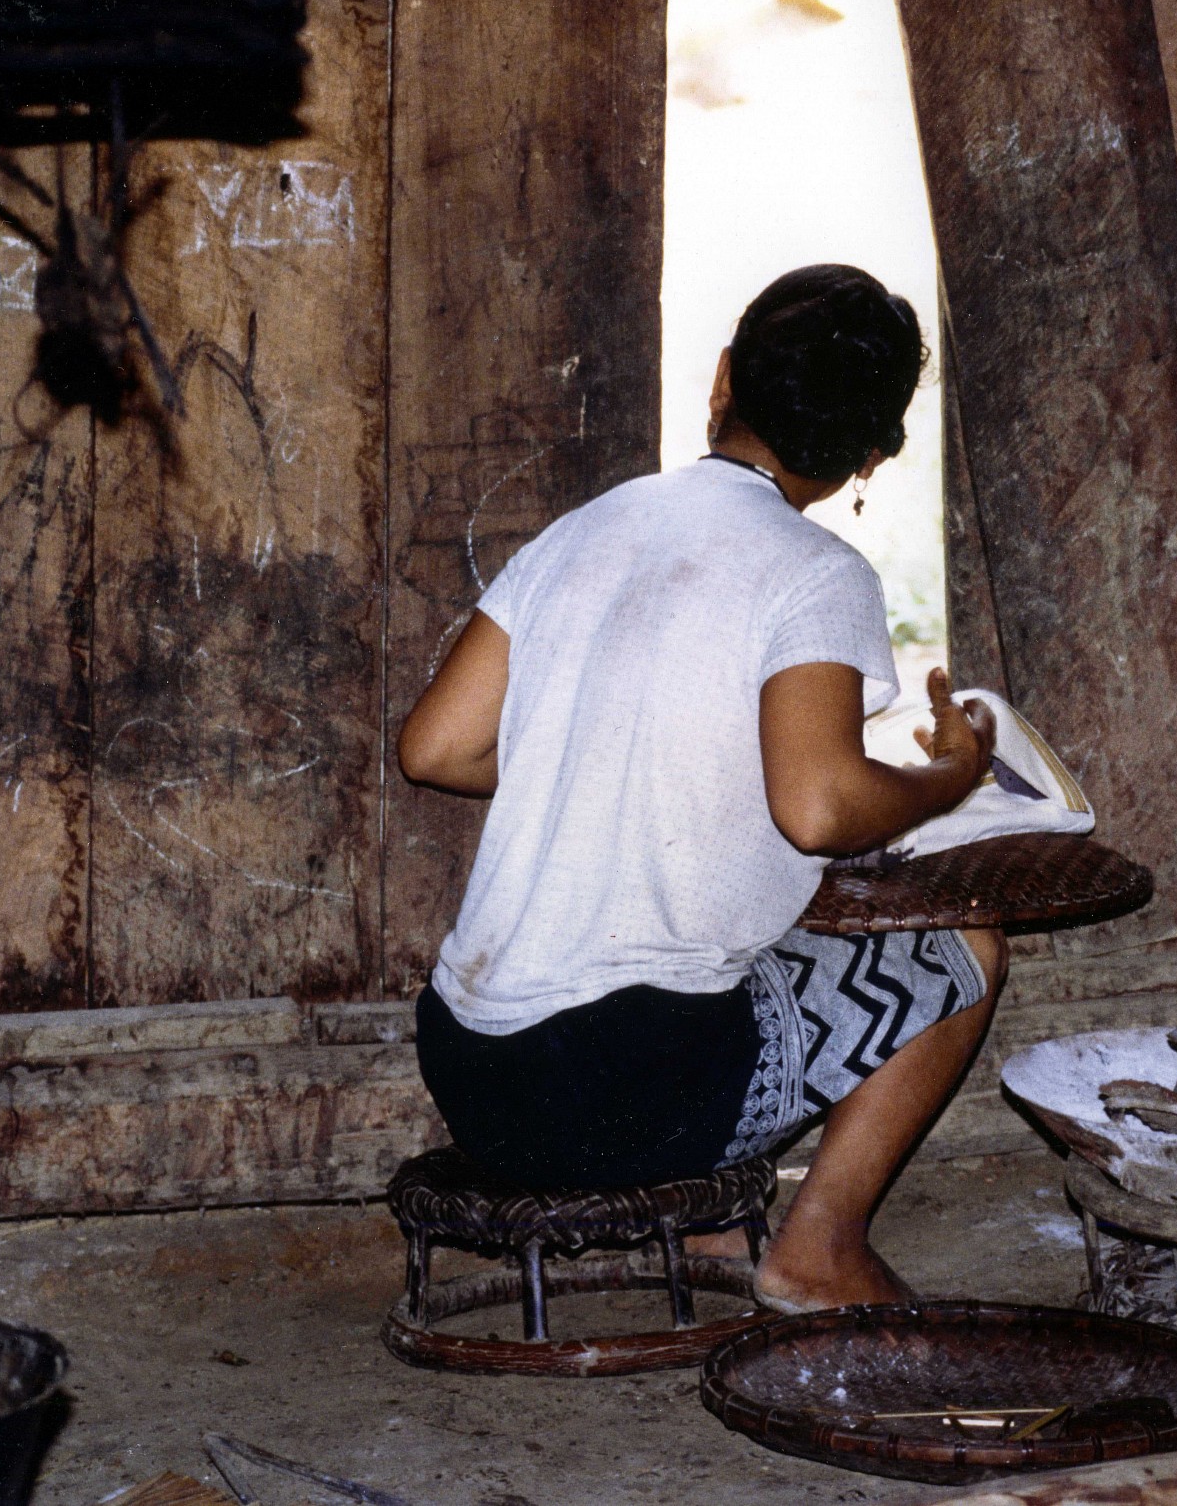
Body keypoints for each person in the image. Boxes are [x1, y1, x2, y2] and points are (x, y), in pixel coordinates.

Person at [397, 264, 1006, 1312]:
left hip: (470, 1068)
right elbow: (815, 806)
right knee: (968, 948)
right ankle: (818, 1244)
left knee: (722, 938)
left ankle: (720, 1227)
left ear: (723, 378)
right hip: (618, 1092)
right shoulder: (816, 572)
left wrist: (602, 749)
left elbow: (438, 748)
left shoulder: (587, 527)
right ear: (871, 455)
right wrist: (944, 779)